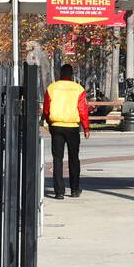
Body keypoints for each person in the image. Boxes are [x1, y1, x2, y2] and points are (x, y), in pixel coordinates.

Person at [43, 64, 90, 199]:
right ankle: (74, 189)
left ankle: (59, 192)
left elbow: (47, 108)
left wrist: (48, 120)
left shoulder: (52, 88)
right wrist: (86, 127)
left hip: (56, 126)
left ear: (60, 74)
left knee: (57, 159)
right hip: (73, 126)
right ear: (72, 75)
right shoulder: (78, 89)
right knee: (74, 158)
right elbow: (82, 110)